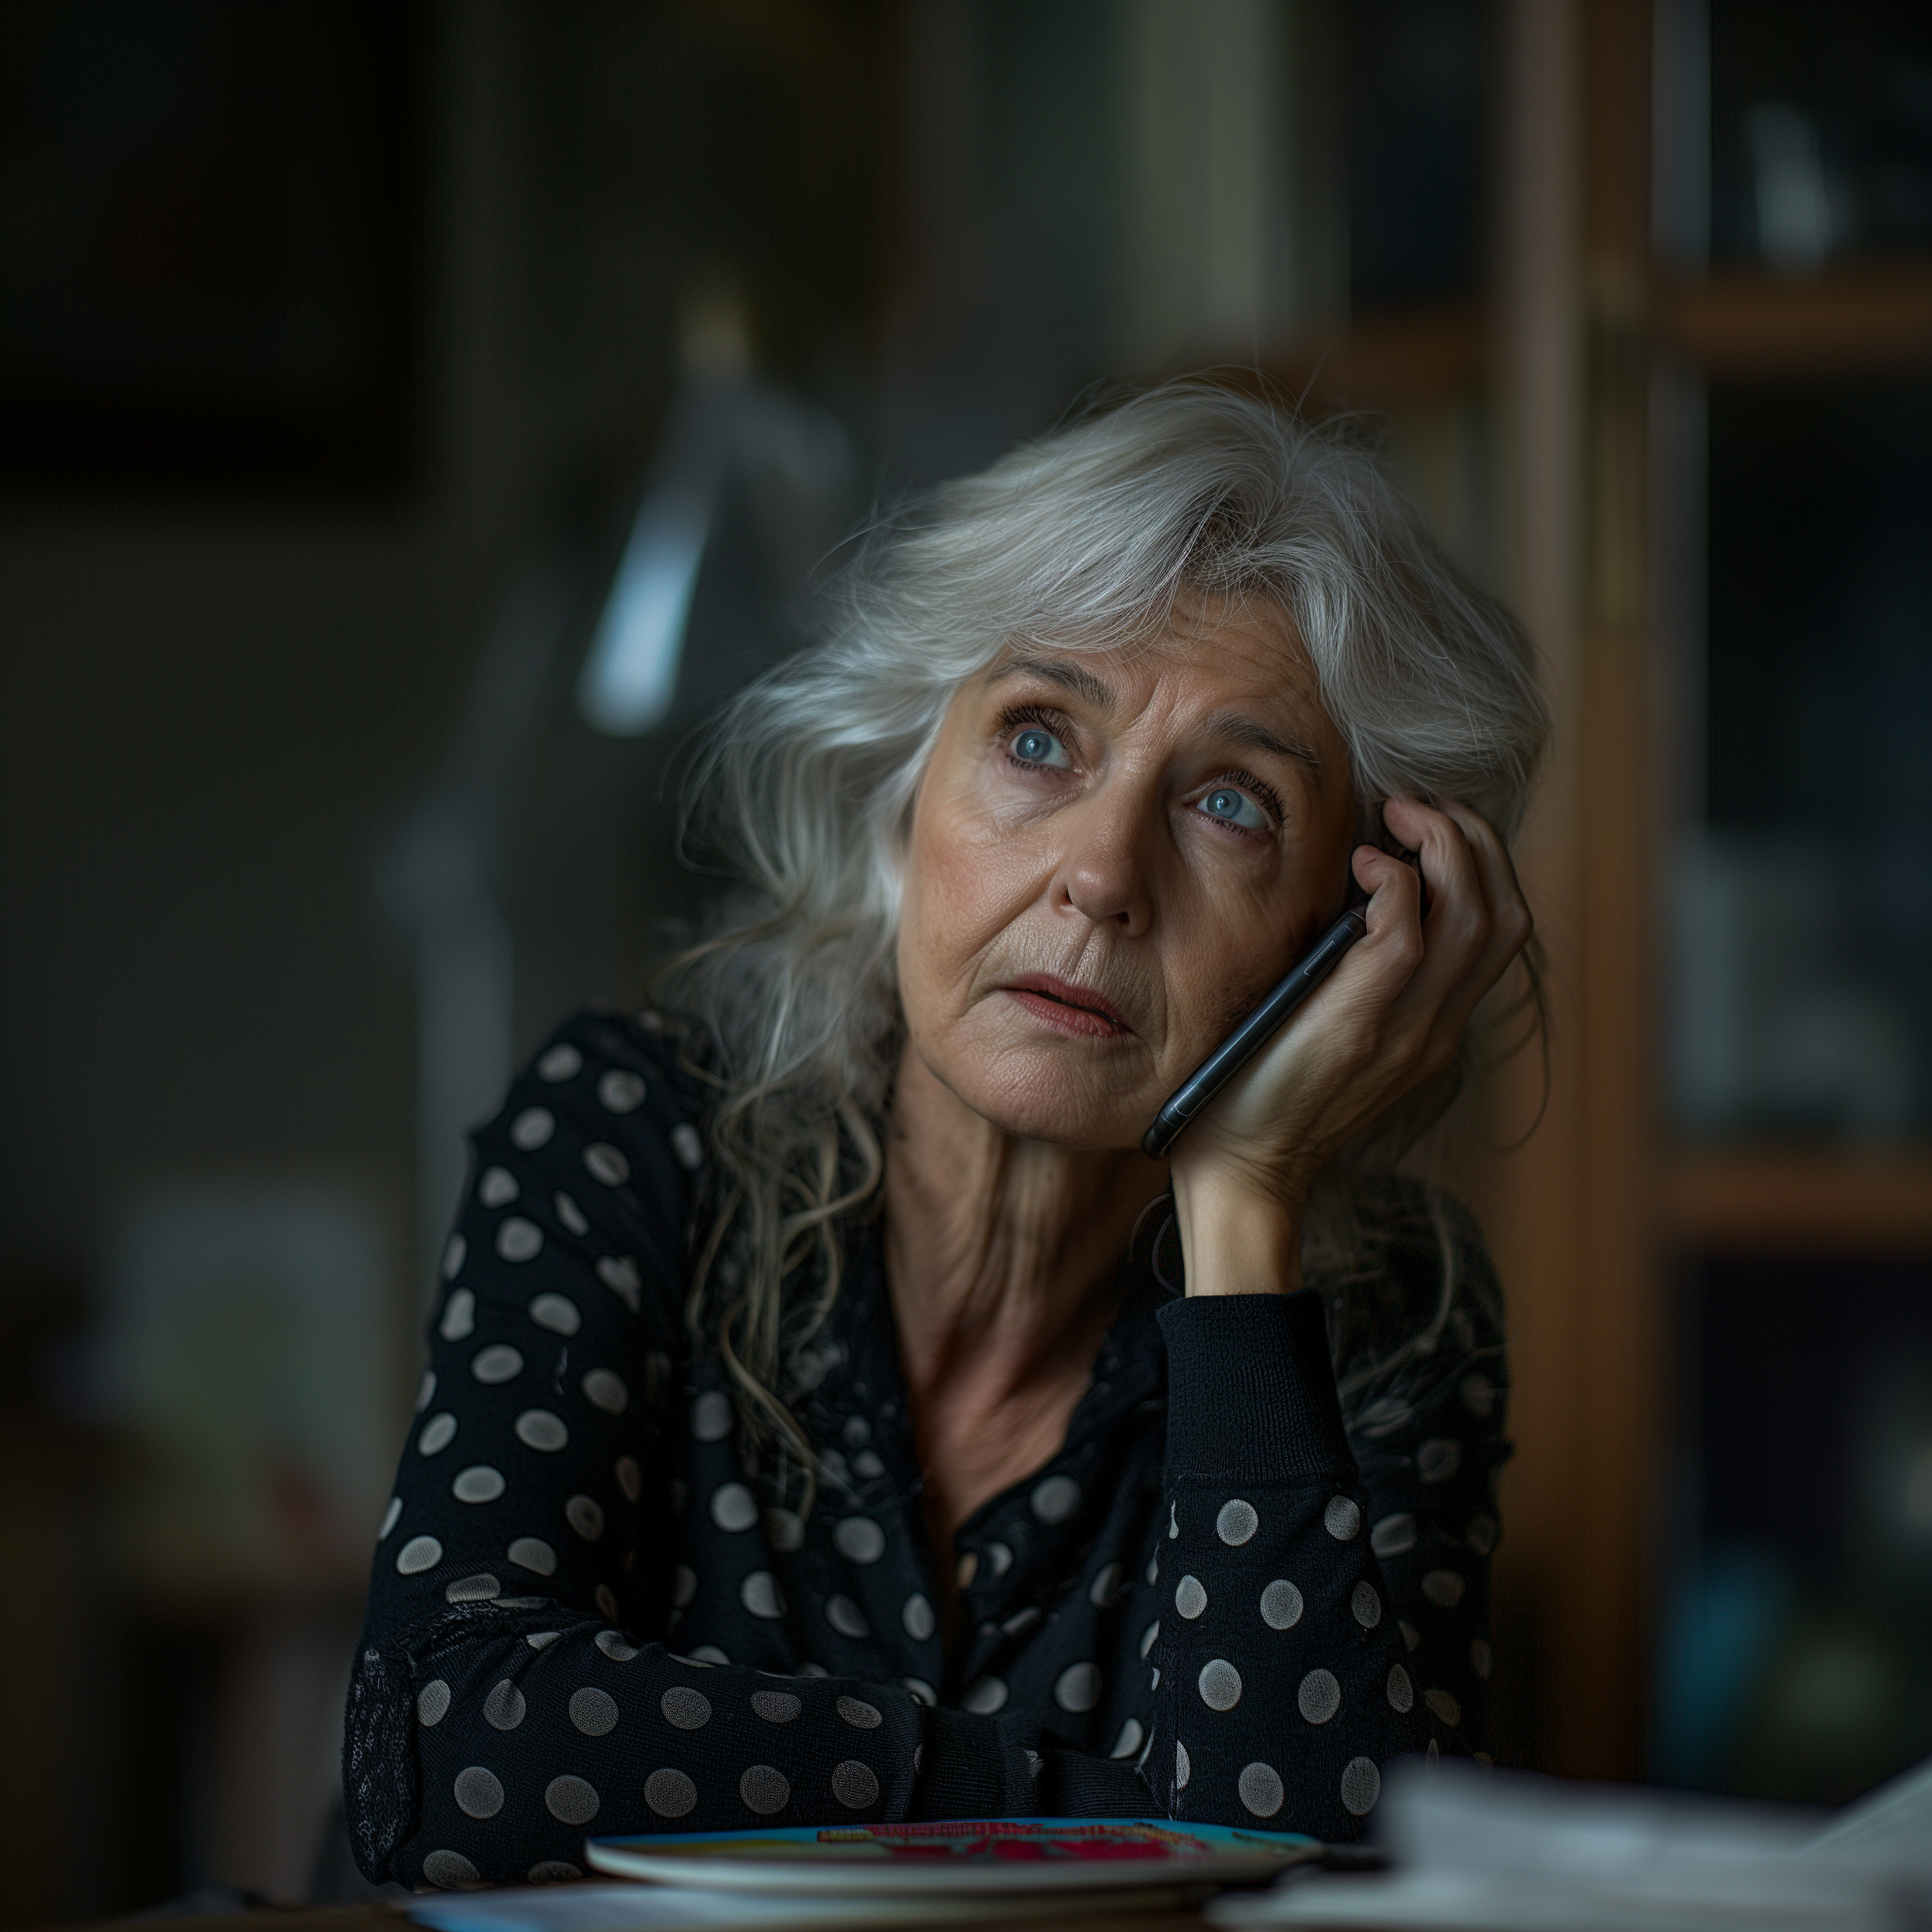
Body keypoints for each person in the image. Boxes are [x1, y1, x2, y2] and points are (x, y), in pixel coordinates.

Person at [344, 380, 1547, 1889]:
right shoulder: (629, 1133)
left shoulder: (1389, 1314)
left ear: (1351, 936)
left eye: (1231, 804)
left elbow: (1334, 1888)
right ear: (905, 795)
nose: (1102, 876)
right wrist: (1066, 1811)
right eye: (1041, 740)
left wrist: (1246, 1209)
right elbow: (447, 1751)